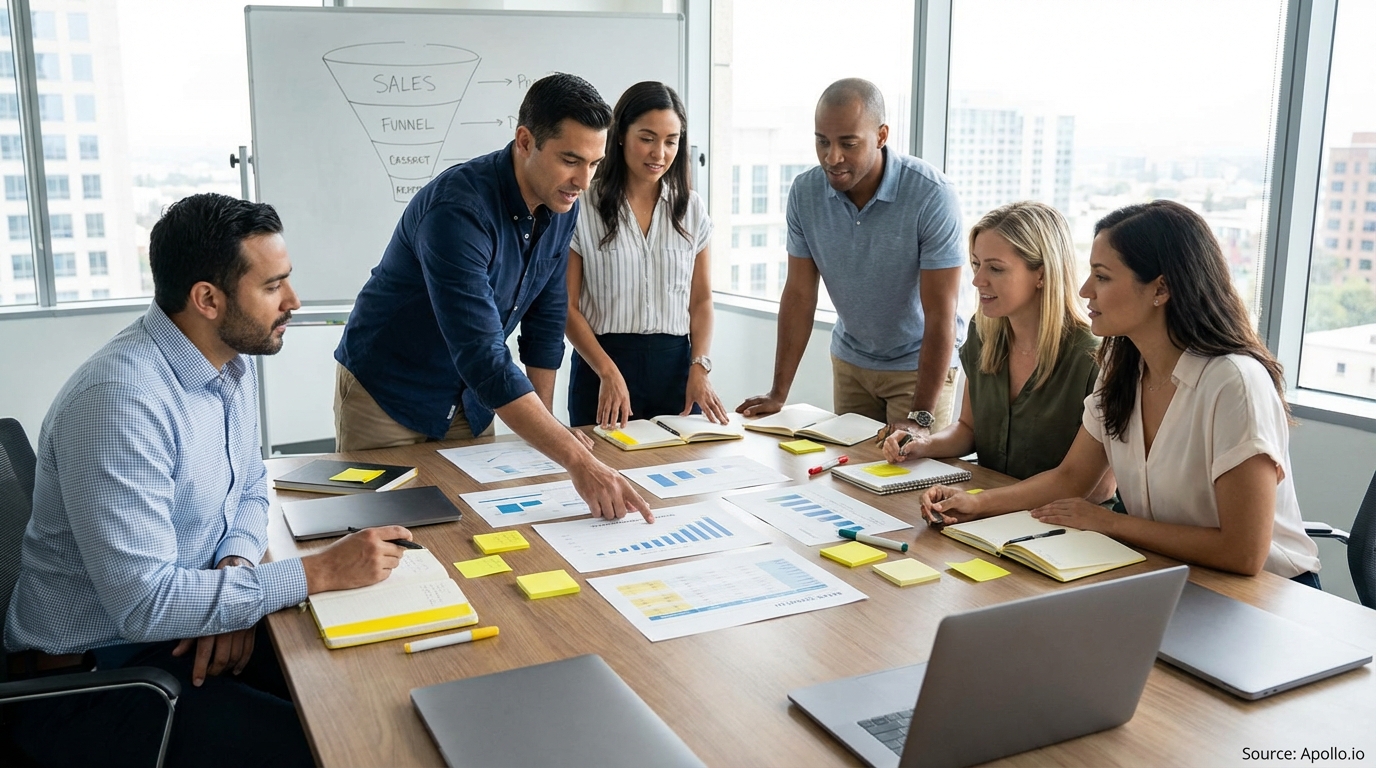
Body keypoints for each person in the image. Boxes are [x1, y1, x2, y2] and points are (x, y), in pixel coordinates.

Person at [3, 193, 410, 767]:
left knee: (368, 688)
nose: (292, 301)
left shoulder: (229, 365)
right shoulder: (121, 402)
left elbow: (247, 489)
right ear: (208, 299)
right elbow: (144, 602)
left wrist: (235, 576)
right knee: (337, 747)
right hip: (103, 680)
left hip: (177, 631)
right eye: (273, 287)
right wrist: (318, 571)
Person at [920, 200, 1321, 583]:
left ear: (1160, 289)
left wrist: (1109, 522)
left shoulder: (1233, 383)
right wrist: (975, 503)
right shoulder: (1121, 368)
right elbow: (1071, 476)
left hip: (1268, 594)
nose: (1084, 290)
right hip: (1170, 573)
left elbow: (1243, 553)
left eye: (1103, 276)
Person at [333, 72, 652, 522]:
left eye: (595, 163)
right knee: (386, 538)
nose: (584, 180)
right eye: (570, 159)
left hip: (472, 400)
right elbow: (482, 353)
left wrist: (546, 428)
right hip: (390, 395)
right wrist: (577, 460)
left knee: (472, 529)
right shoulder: (459, 210)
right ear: (525, 141)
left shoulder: (563, 201)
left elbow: (545, 316)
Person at [735, 77, 966, 436]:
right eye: (822, 141)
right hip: (852, 362)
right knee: (850, 474)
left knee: (906, 478)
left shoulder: (932, 195)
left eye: (848, 143)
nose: (832, 157)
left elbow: (941, 315)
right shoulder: (805, 192)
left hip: (917, 367)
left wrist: (921, 417)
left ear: (882, 136)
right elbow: (799, 295)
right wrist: (778, 393)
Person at [882, 202, 1111, 500]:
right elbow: (967, 428)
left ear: (1041, 274)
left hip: (1062, 524)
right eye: (977, 264)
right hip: (988, 506)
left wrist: (984, 503)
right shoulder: (983, 331)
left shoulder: (1094, 357)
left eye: (996, 268)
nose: (978, 280)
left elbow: (1099, 487)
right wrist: (923, 444)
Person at [565, 81, 727, 429]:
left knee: (678, 478)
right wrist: (607, 371)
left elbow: (701, 300)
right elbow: (567, 307)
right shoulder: (583, 206)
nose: (659, 153)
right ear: (620, 134)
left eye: (671, 141)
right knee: (606, 478)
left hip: (676, 375)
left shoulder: (691, 209)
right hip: (602, 371)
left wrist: (700, 366)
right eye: (647, 138)